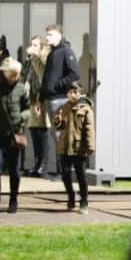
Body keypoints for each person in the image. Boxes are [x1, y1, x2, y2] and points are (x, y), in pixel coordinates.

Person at [0, 57, 30, 216]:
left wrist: (22, 117)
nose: (15, 78)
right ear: (5, 73)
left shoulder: (20, 87)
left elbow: (27, 107)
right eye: (13, 75)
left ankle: (13, 200)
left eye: (17, 75)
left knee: (14, 170)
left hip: (14, 135)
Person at [56, 82, 95, 213]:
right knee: (65, 174)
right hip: (65, 146)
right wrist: (58, 120)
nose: (73, 94)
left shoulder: (86, 109)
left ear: (81, 93)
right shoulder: (63, 107)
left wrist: (90, 146)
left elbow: (89, 130)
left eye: (75, 92)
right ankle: (71, 197)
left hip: (79, 148)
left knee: (81, 176)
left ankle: (84, 201)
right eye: (70, 92)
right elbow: (59, 126)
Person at [23, 36, 53, 177]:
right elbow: (28, 75)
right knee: (34, 131)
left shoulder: (44, 58)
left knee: (42, 131)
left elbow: (43, 76)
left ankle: (44, 165)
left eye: (35, 45)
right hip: (33, 97)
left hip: (43, 98)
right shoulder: (32, 59)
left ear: (41, 47)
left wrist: (34, 58)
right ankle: (36, 162)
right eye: (31, 44)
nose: (32, 47)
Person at [42, 24, 80, 124]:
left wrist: (58, 85)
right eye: (46, 35)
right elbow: (46, 77)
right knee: (56, 135)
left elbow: (75, 73)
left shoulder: (66, 51)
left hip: (60, 99)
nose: (47, 37)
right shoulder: (52, 53)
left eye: (50, 35)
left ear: (59, 35)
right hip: (50, 100)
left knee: (60, 134)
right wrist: (41, 98)